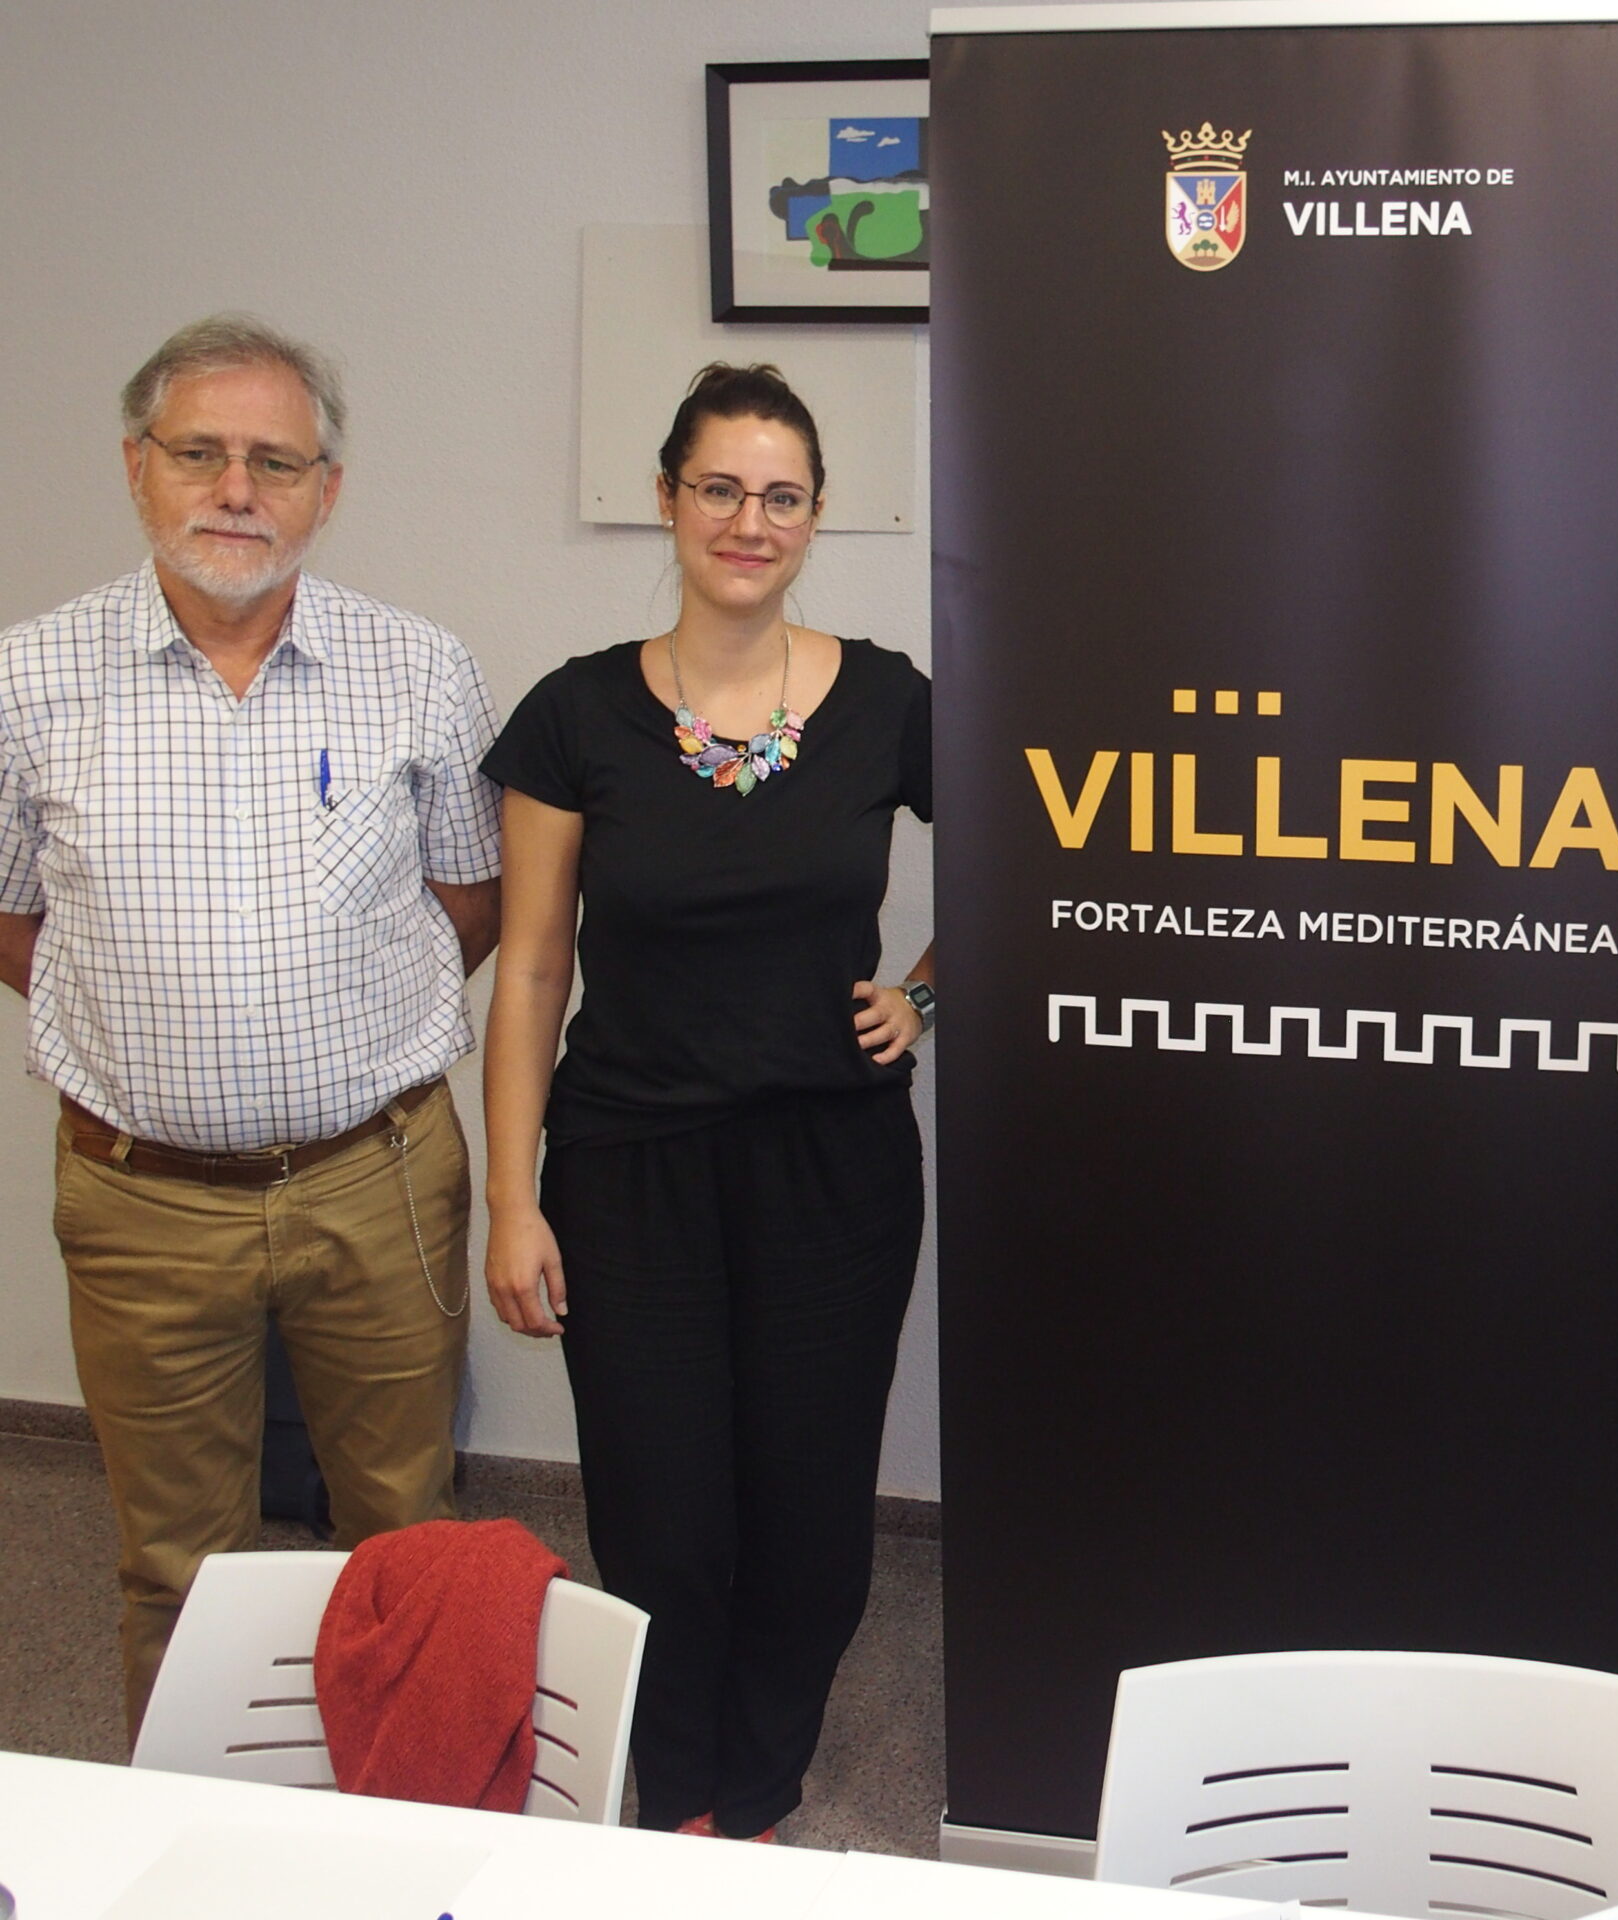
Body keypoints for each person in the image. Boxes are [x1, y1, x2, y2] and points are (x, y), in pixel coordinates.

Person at [0, 314, 502, 1739]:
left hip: (378, 1179)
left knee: (406, 1534)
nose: (237, 490)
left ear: (326, 490)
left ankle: (404, 1823)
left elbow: (471, 903)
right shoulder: (29, 679)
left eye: (275, 462)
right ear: (136, 467)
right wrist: (150, 1019)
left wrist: (328, 1024)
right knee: (177, 1568)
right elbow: (12, 915)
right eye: (200, 453)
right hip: (139, 1200)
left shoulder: (418, 668)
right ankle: (200, 1825)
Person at [480, 362, 933, 1840]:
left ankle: (760, 1796)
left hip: (833, 1172)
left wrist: (927, 994)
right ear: (668, 498)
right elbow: (531, 970)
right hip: (630, 1171)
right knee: (662, 1522)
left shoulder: (888, 701)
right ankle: (679, 1805)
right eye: (721, 488)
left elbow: (1038, 852)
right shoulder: (575, 715)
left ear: (818, 515)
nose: (751, 521)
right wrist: (511, 1200)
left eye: (782, 496)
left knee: (810, 1524)